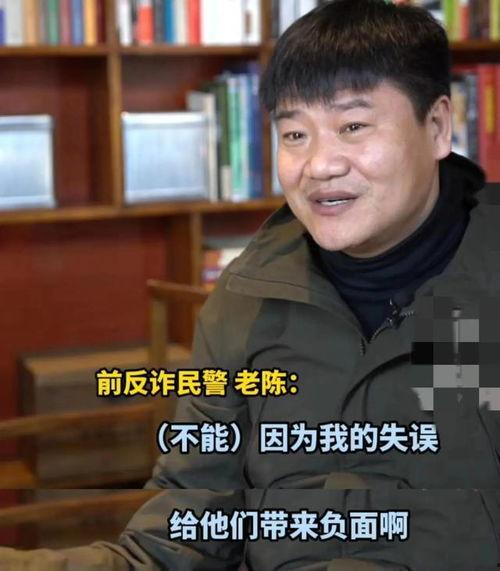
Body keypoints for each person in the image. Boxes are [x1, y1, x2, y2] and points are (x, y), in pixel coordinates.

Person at [1, 1, 499, 569]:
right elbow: (178, 546)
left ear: (437, 127)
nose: (319, 165)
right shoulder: (246, 298)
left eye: (353, 126)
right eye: (295, 133)